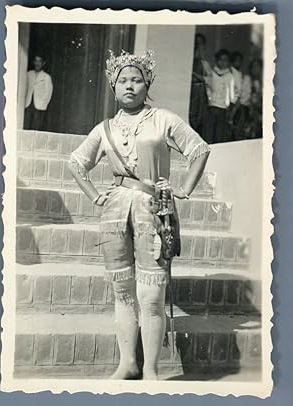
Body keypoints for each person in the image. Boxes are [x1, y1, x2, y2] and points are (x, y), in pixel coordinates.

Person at [68, 49, 210, 381]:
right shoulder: (104, 129)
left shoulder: (164, 119)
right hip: (116, 209)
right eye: (122, 81)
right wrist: (94, 194)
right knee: (122, 291)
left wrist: (183, 189)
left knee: (150, 294)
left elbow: (199, 149)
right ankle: (127, 362)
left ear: (147, 84)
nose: (129, 86)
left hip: (153, 206)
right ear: (113, 87)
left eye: (136, 80)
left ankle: (151, 370)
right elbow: (76, 163)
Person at [204, 49, 235, 143]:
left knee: (219, 133)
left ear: (228, 62)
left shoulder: (230, 76)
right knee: (209, 132)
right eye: (221, 59)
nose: (223, 62)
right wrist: (209, 100)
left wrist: (230, 105)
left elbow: (231, 93)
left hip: (223, 108)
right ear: (217, 60)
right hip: (212, 106)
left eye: (225, 60)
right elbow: (208, 87)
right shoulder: (212, 73)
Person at [189, 33, 211, 135]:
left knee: (200, 119)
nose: (198, 46)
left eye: (200, 44)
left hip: (200, 93)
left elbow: (209, 80)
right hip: (190, 92)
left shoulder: (204, 64)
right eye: (196, 43)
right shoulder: (188, 61)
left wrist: (196, 75)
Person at [24, 55, 53, 131]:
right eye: (36, 61)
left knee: (36, 127)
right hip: (28, 104)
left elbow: (48, 93)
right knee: (26, 126)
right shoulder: (28, 74)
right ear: (33, 62)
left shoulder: (46, 77)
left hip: (39, 106)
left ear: (43, 63)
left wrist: (42, 104)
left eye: (39, 61)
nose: (37, 63)